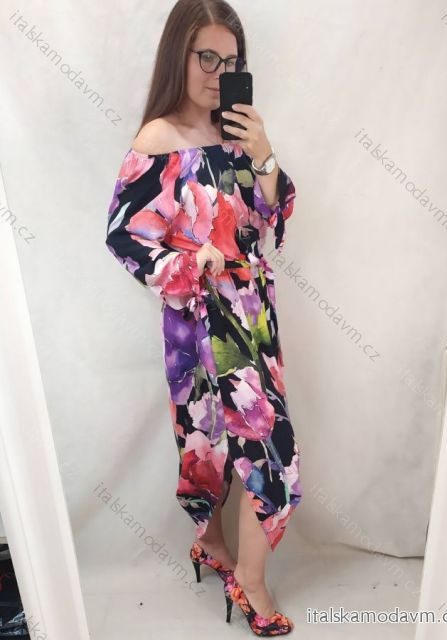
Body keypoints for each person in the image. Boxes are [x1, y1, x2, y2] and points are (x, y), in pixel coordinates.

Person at [105, 0, 302, 635]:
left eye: (231, 62)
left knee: (267, 447)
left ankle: (243, 571)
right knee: (209, 443)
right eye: (207, 58)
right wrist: (191, 263)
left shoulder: (238, 132)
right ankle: (227, 558)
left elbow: (270, 216)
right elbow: (124, 236)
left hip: (252, 317)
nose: (220, 74)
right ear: (180, 55)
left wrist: (264, 152)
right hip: (196, 320)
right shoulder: (157, 140)